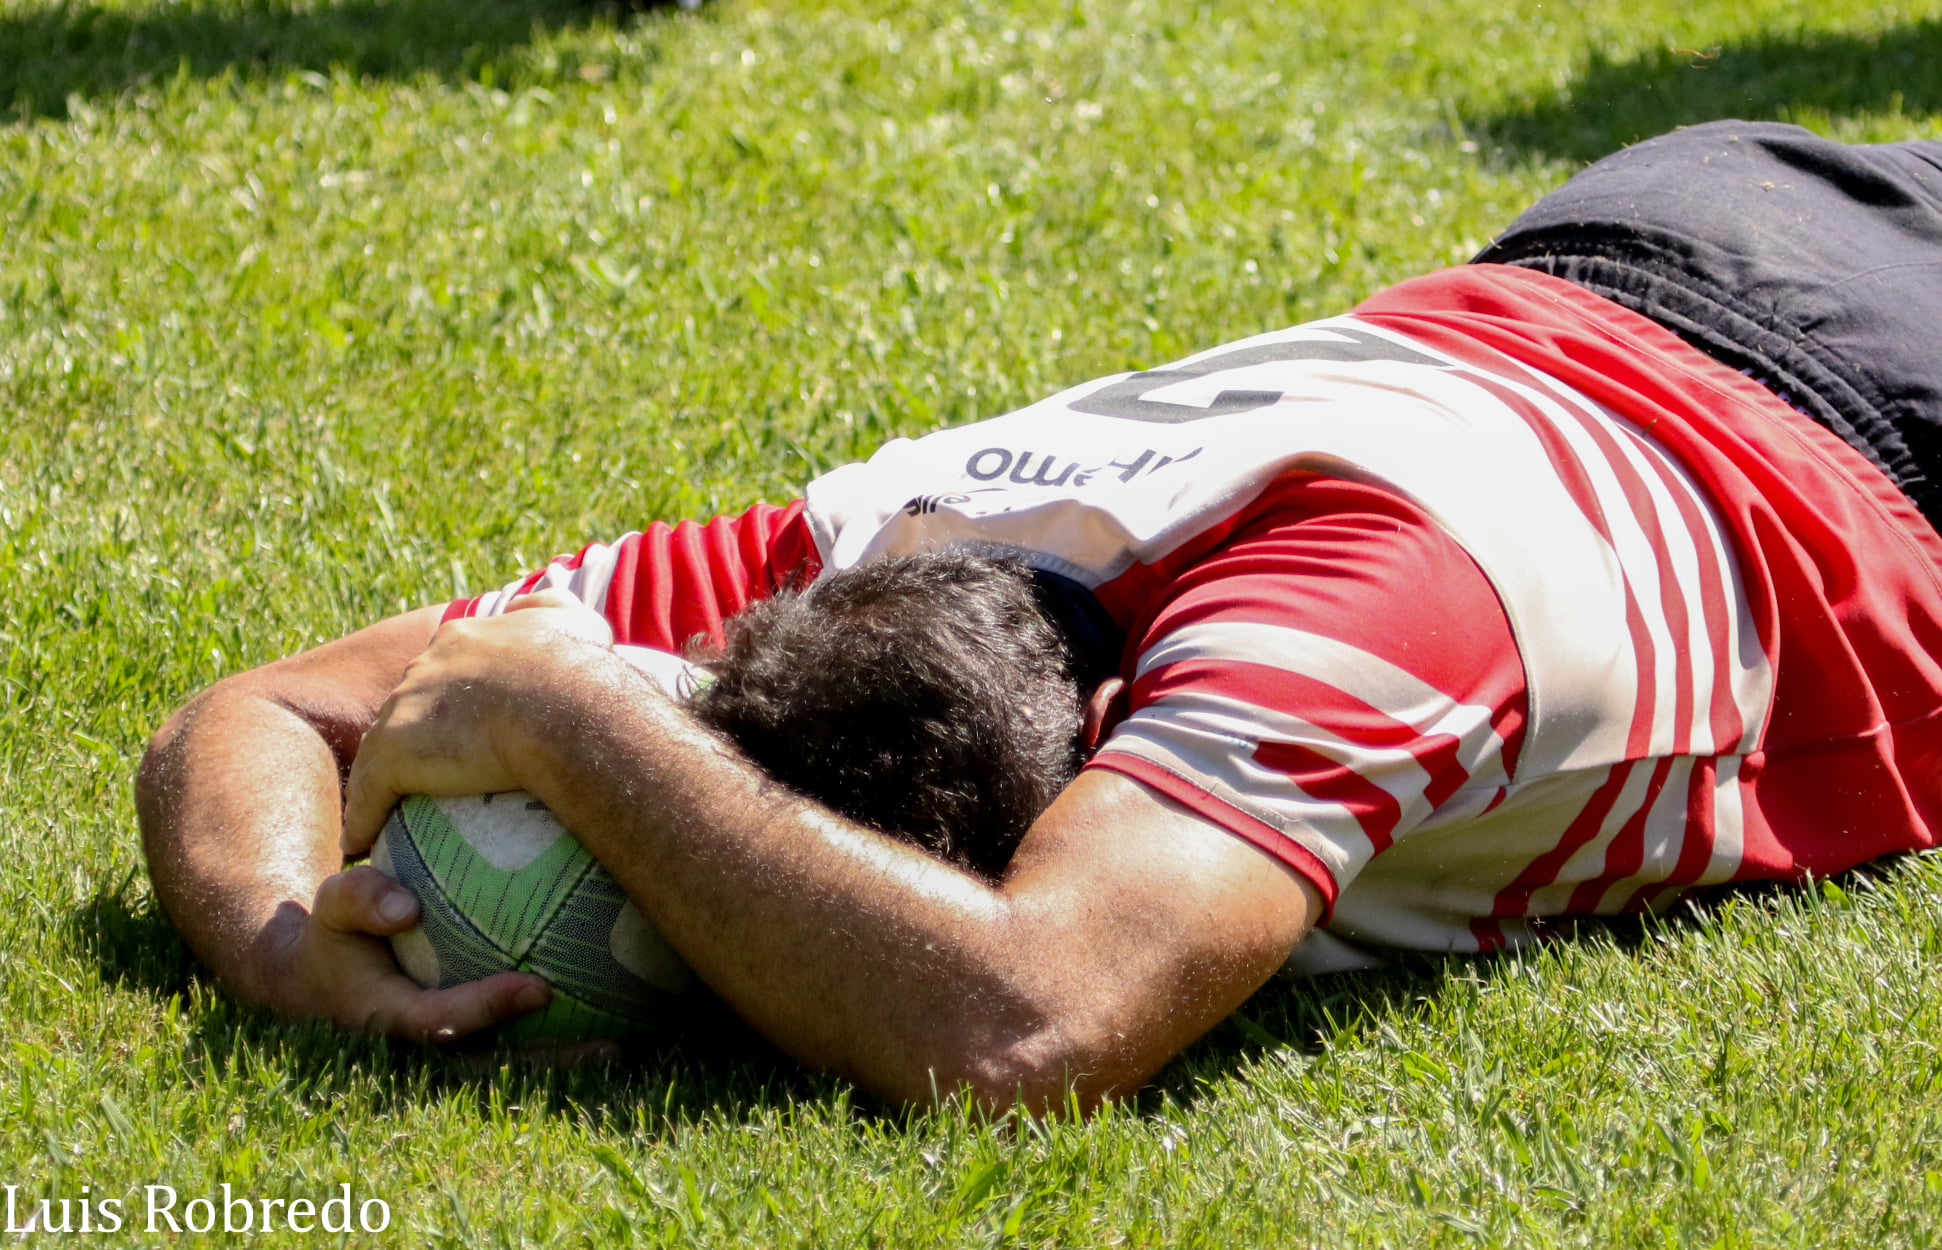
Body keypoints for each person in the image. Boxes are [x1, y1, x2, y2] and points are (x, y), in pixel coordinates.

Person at [136, 121, 1942, 1110]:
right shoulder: (881, 536)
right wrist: (283, 940)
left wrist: (572, 725)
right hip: (1637, 226)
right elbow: (268, 708)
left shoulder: (1358, 606)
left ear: (1108, 755)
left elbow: (1020, 1025)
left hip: (1880, 402)